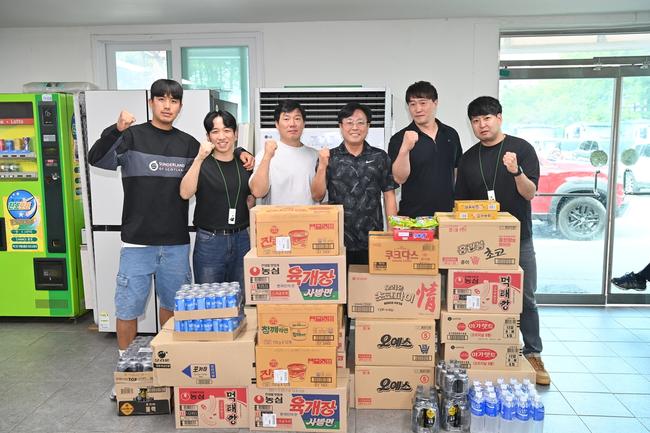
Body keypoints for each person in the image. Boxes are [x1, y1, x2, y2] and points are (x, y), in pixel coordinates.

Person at [88, 79, 253, 399]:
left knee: (174, 307)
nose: (167, 105)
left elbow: (219, 152)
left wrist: (241, 151)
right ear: (151, 102)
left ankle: (170, 370)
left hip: (176, 241)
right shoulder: (131, 137)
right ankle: (126, 373)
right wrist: (116, 128)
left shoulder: (188, 144)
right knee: (127, 309)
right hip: (137, 242)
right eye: (161, 99)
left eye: (174, 101)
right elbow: (97, 158)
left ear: (180, 106)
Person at [455, 96, 550, 386]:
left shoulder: (521, 149)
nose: (481, 125)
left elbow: (530, 193)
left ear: (499, 118)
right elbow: (460, 205)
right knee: (484, 299)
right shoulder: (468, 158)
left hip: (519, 239)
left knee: (526, 297)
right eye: (475, 120)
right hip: (481, 246)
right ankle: (490, 349)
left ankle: (533, 353)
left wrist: (516, 171)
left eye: (487, 118)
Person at [310, 102, 398, 265]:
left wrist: (393, 232)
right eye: (349, 122)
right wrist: (322, 165)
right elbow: (317, 195)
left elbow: (389, 195)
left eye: (360, 122)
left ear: (368, 126)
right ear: (341, 126)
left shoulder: (380, 157)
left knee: (370, 281)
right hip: (337, 240)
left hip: (372, 239)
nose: (355, 127)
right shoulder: (330, 157)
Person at [180, 110, 254, 291]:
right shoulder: (202, 163)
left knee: (240, 297)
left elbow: (252, 196)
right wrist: (199, 158)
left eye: (227, 130)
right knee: (209, 297)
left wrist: (242, 151)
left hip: (242, 238)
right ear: (208, 137)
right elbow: (185, 193)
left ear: (236, 134)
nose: (221, 137)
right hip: (210, 241)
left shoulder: (245, 163)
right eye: (215, 131)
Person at [388, 81, 463, 217]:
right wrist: (405, 148)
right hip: (413, 217)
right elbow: (399, 178)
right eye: (412, 104)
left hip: (447, 216)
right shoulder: (399, 138)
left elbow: (457, 170)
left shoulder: (451, 134)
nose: (418, 109)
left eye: (423, 103)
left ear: (435, 103)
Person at [249, 100, 319, 205]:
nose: (292, 124)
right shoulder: (265, 154)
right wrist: (267, 156)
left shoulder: (315, 155)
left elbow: (322, 198)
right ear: (277, 124)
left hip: (309, 215)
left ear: (304, 123)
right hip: (276, 216)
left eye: (297, 118)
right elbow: (257, 192)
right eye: (286, 119)